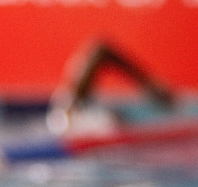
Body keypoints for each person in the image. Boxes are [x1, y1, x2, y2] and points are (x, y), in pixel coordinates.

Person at [47, 38, 177, 136]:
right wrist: (148, 84)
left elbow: (102, 50)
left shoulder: (73, 110)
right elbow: (101, 50)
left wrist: (148, 84)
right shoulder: (71, 113)